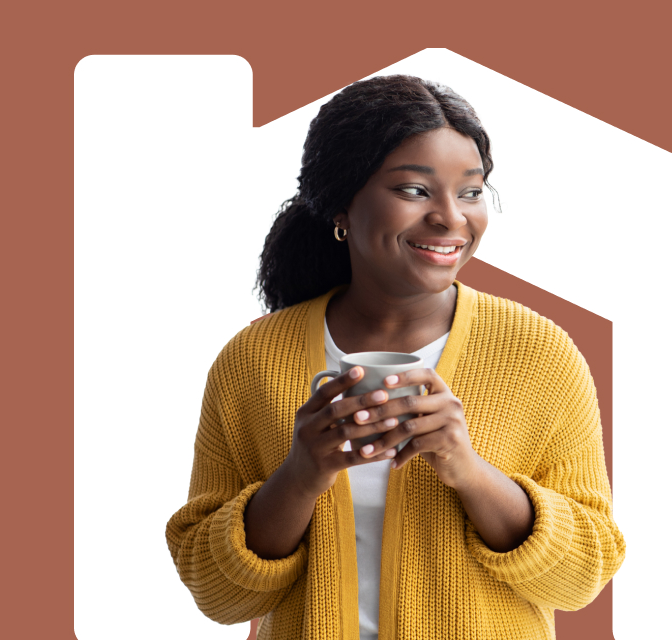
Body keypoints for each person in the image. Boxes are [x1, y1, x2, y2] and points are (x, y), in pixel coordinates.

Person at [165, 75, 625, 640]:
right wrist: (301, 476)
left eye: (471, 191)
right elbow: (217, 592)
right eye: (414, 190)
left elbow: (584, 576)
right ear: (341, 206)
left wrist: (469, 470)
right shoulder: (254, 359)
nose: (451, 217)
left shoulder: (539, 353)